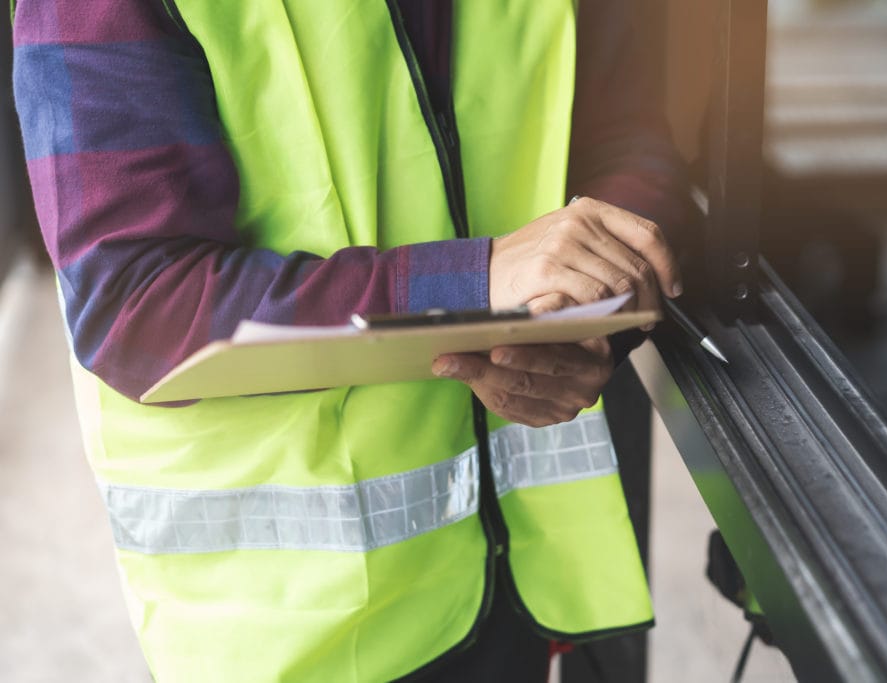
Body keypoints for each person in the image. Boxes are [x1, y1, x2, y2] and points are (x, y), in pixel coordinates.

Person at [12, 0, 688, 680]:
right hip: (286, 625)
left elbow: (631, 143)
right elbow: (135, 302)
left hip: (508, 572)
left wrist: (579, 318)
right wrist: (472, 283)